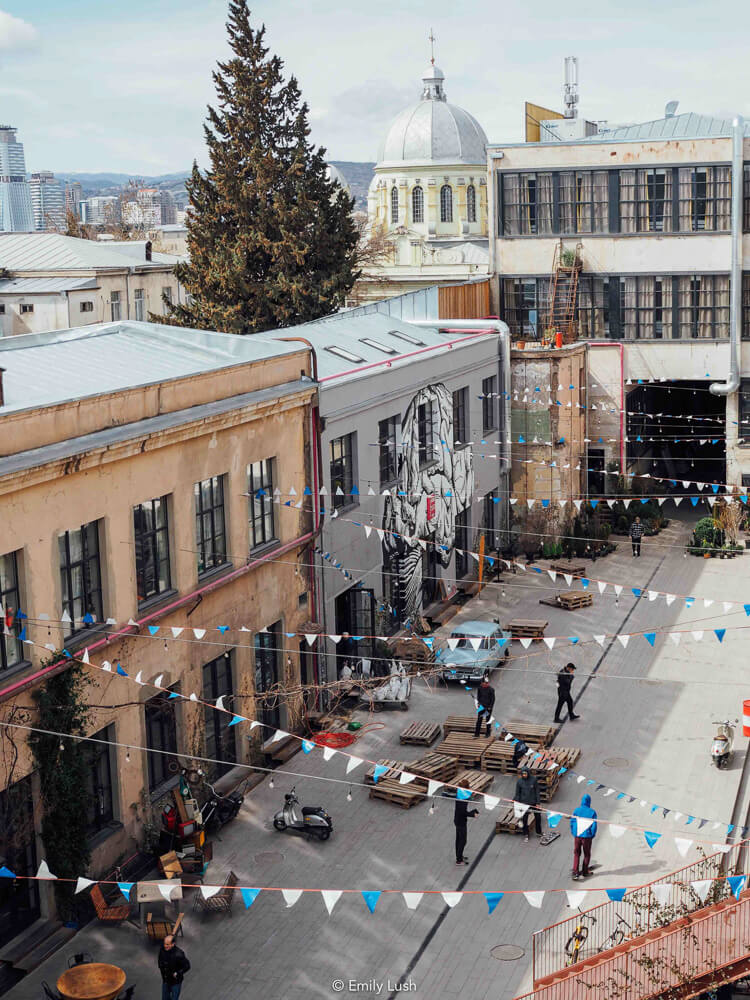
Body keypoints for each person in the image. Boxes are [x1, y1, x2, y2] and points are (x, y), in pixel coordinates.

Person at [569, 793, 597, 880]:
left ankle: (575, 872)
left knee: (577, 853)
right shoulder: (592, 812)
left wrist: (574, 833)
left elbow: (572, 822)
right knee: (587, 854)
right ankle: (585, 871)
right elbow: (594, 825)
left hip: (577, 836)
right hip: (587, 837)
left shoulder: (576, 810)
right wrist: (592, 835)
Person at [514, 766, 543, 842]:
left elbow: (537, 792)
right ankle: (526, 834)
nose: (524, 775)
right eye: (523, 774)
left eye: (525, 774)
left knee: (538, 817)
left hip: (533, 803)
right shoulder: (519, 782)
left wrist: (538, 802)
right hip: (524, 804)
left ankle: (539, 832)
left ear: (528, 773)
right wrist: (518, 803)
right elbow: (517, 794)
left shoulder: (533, 780)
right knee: (524, 820)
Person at [158, 934, 191, 1000]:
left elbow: (187, 966)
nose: (165, 946)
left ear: (173, 944)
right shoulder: (162, 950)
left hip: (175, 983)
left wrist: (178, 973)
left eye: (167, 944)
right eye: (165, 944)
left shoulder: (179, 954)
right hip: (166, 981)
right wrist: (160, 966)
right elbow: (160, 960)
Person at [454, 797, 479, 865]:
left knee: (459, 839)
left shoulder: (460, 796)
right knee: (463, 840)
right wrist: (473, 814)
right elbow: (463, 812)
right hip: (461, 822)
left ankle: (459, 856)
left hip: (458, 820)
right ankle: (459, 860)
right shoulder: (462, 800)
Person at [474, 671, 495, 737]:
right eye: (484, 683)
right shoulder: (479, 688)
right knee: (479, 720)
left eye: (487, 683)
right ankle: (477, 734)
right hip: (481, 706)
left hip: (488, 707)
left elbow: (493, 699)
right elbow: (478, 696)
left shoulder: (491, 689)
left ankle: (487, 734)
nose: (485, 684)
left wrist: (490, 707)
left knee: (488, 721)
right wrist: (478, 704)